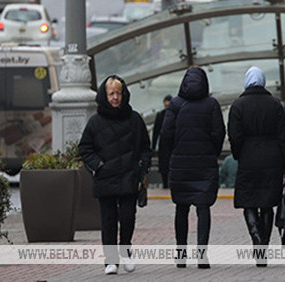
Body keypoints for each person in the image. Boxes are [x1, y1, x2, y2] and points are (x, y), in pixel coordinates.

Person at [78, 75, 152, 275]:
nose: (115, 97)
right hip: (106, 178)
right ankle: (111, 261)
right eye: (111, 93)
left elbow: (146, 147)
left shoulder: (134, 119)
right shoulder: (95, 122)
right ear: (105, 95)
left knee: (128, 217)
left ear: (124, 94)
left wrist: (141, 166)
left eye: (118, 93)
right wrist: (99, 167)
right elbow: (85, 148)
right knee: (109, 220)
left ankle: (125, 252)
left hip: (129, 176)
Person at [227, 66, 285, 267]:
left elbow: (234, 136)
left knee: (248, 202)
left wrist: (239, 154)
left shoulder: (238, 105)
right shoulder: (275, 104)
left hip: (248, 158)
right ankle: (263, 246)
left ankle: (254, 236)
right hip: (272, 158)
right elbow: (284, 136)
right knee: (266, 203)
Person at [162, 67, 225, 269]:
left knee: (181, 208)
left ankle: (181, 256)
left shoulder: (176, 105)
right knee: (203, 207)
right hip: (204, 163)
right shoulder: (211, 104)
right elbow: (218, 134)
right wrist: (211, 152)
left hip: (181, 163)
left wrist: (175, 152)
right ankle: (202, 255)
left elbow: (166, 134)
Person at [151, 95, 173, 188]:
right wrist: (153, 146)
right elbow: (156, 131)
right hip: (165, 144)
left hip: (170, 144)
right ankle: (165, 184)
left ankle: (168, 184)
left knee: (169, 165)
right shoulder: (161, 115)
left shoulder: (169, 114)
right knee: (164, 165)